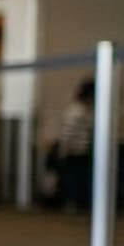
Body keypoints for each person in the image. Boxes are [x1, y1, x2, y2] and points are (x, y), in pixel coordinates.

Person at [44, 78, 96, 212]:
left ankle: (75, 204)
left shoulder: (84, 110)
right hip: (74, 153)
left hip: (80, 152)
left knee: (77, 181)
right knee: (73, 181)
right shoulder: (76, 112)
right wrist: (63, 152)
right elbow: (67, 135)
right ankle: (71, 204)